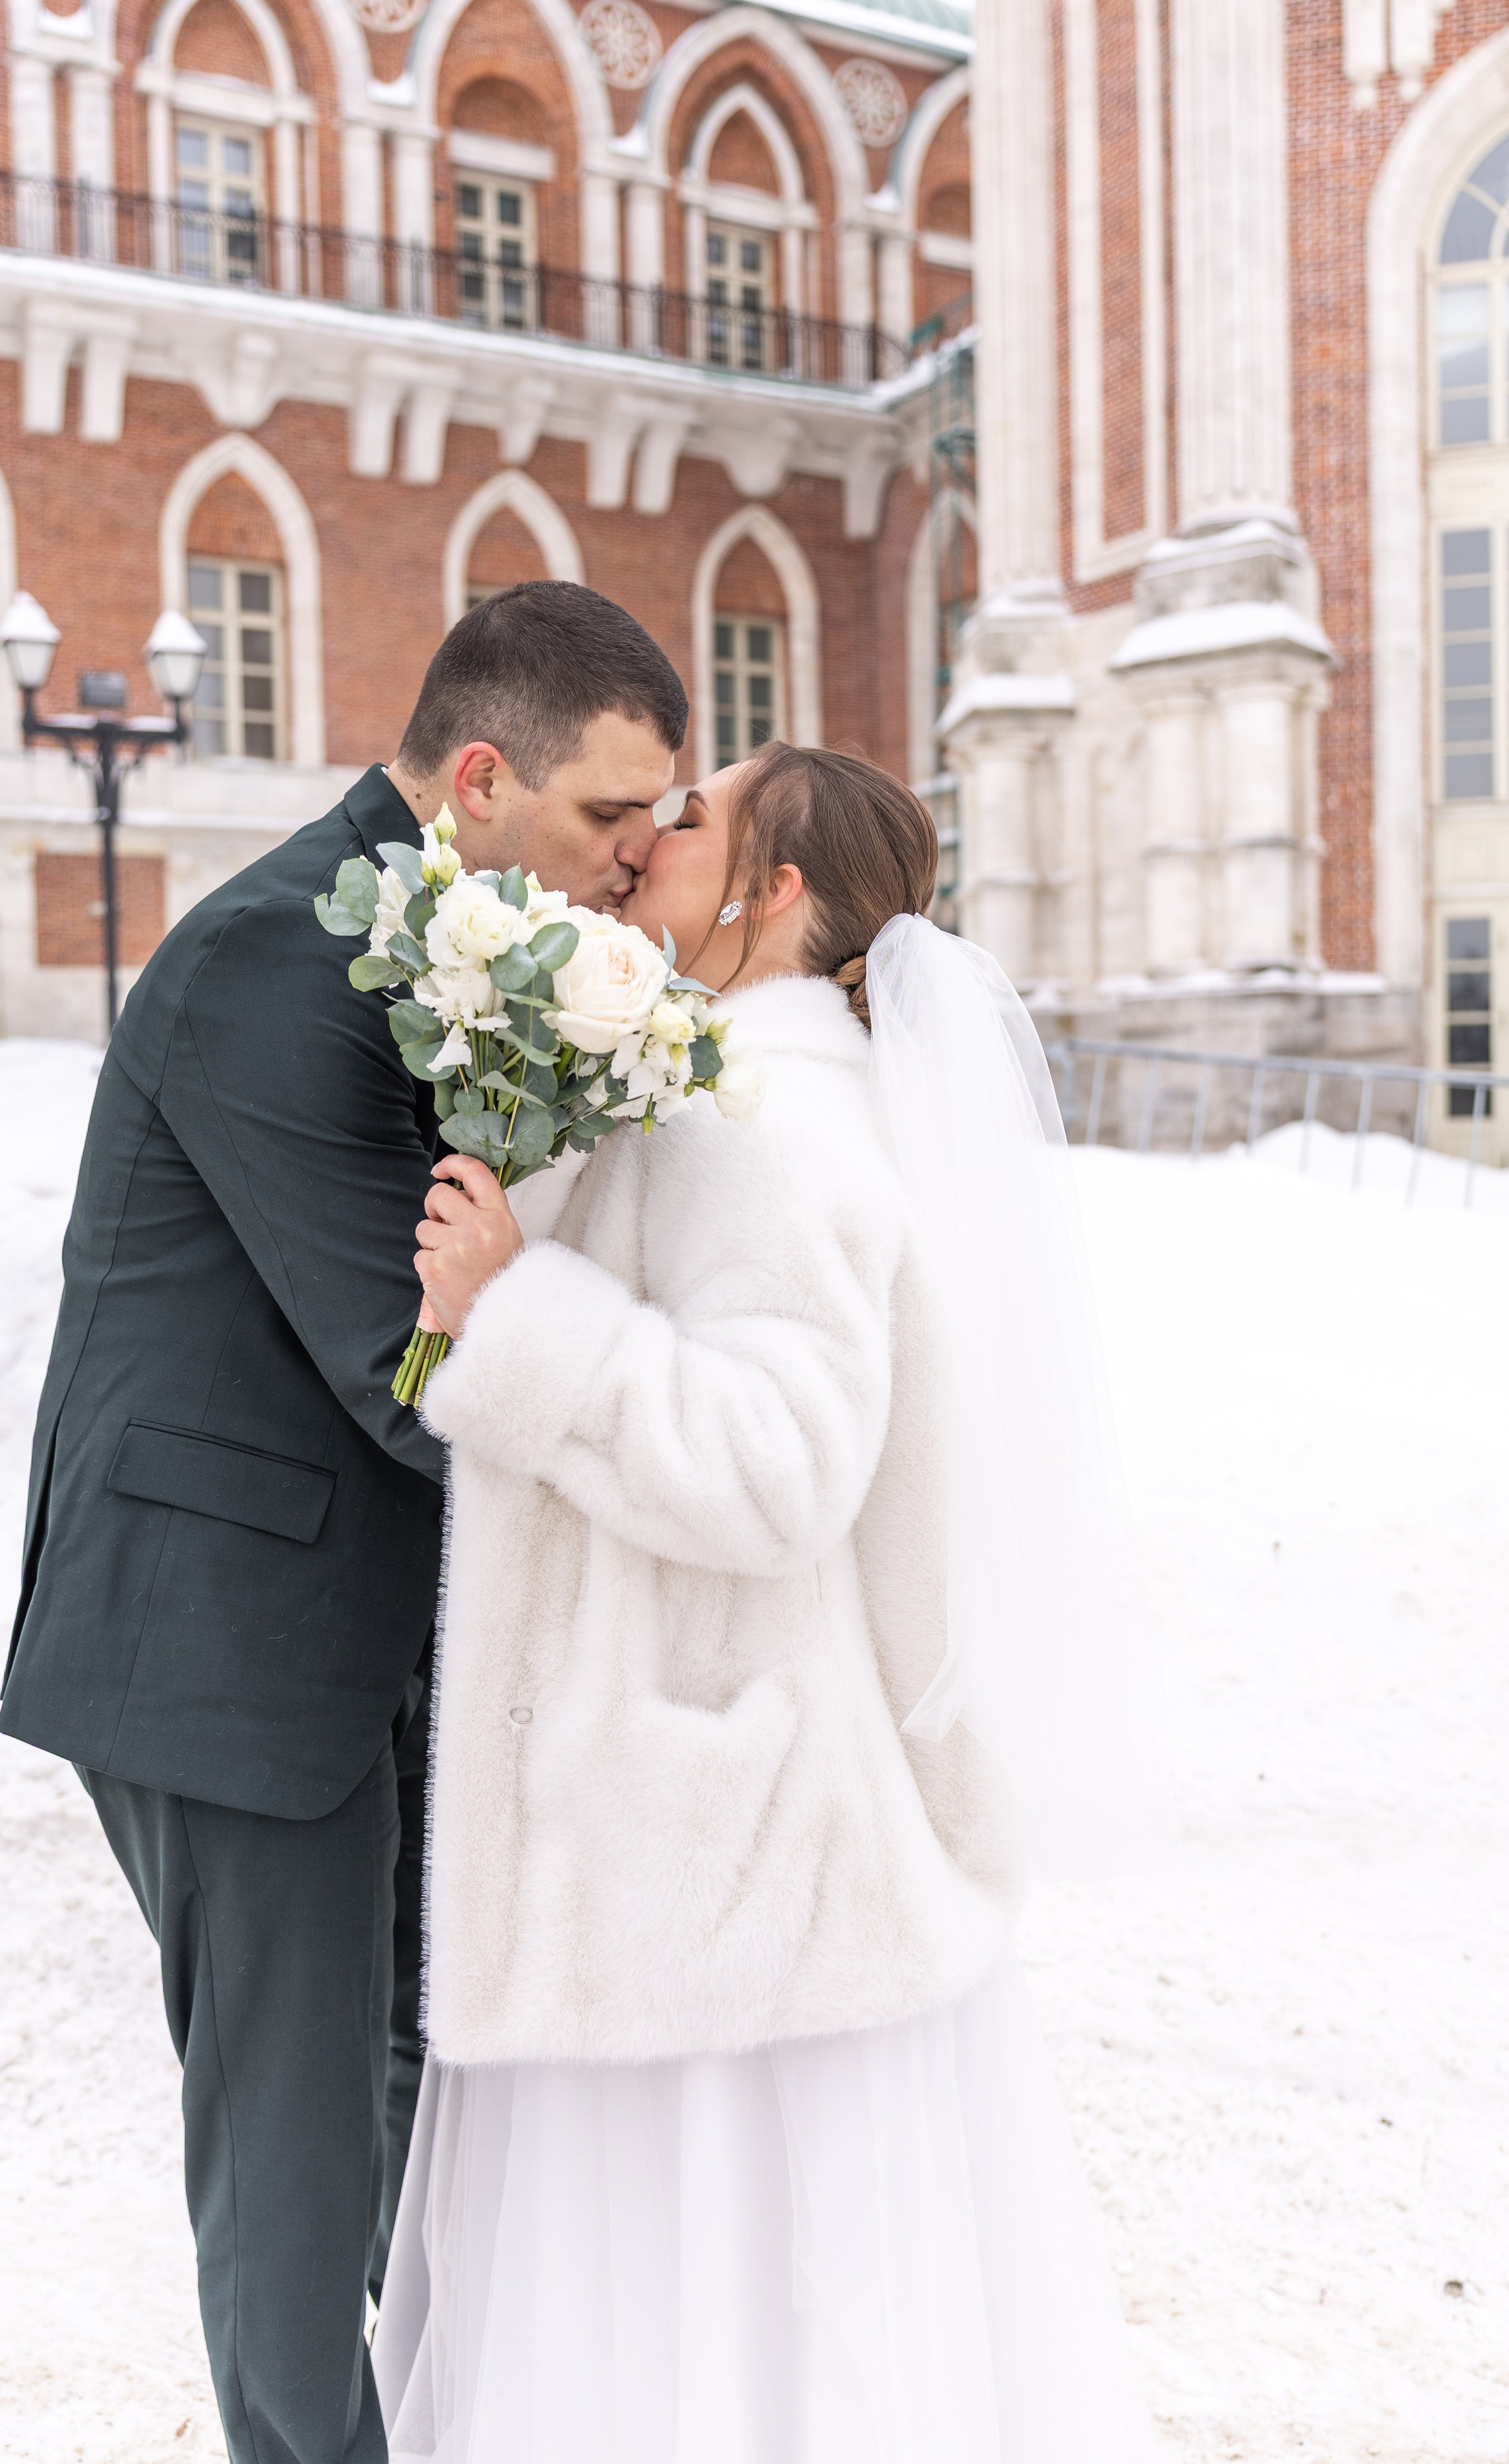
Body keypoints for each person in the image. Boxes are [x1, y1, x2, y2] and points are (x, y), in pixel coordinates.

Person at [374, 742, 1159, 2463]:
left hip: (709, 1866)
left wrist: (520, 1317)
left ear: (774, 889)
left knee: (691, 2347)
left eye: (696, 819)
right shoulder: (724, 1093)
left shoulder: (771, 1120)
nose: (651, 839)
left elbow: (782, 1462)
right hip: (697, 1840)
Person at [0, 582, 688, 2464]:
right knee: (295, 2172)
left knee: (423, 2108)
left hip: (371, 1641)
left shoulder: (445, 948)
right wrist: (673, 1500)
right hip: (222, 1644)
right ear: (481, 781)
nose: (634, 859)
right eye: (607, 815)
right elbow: (405, 1361)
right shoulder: (275, 958)